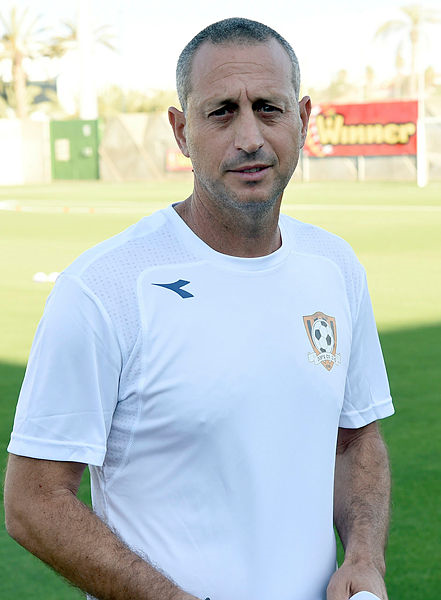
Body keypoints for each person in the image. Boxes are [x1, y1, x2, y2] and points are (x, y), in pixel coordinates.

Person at [4, 17, 394, 600]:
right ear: (182, 131)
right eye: (222, 112)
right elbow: (33, 501)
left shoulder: (334, 265)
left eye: (268, 109)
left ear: (303, 118)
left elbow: (356, 438)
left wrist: (364, 557)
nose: (250, 138)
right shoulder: (106, 287)